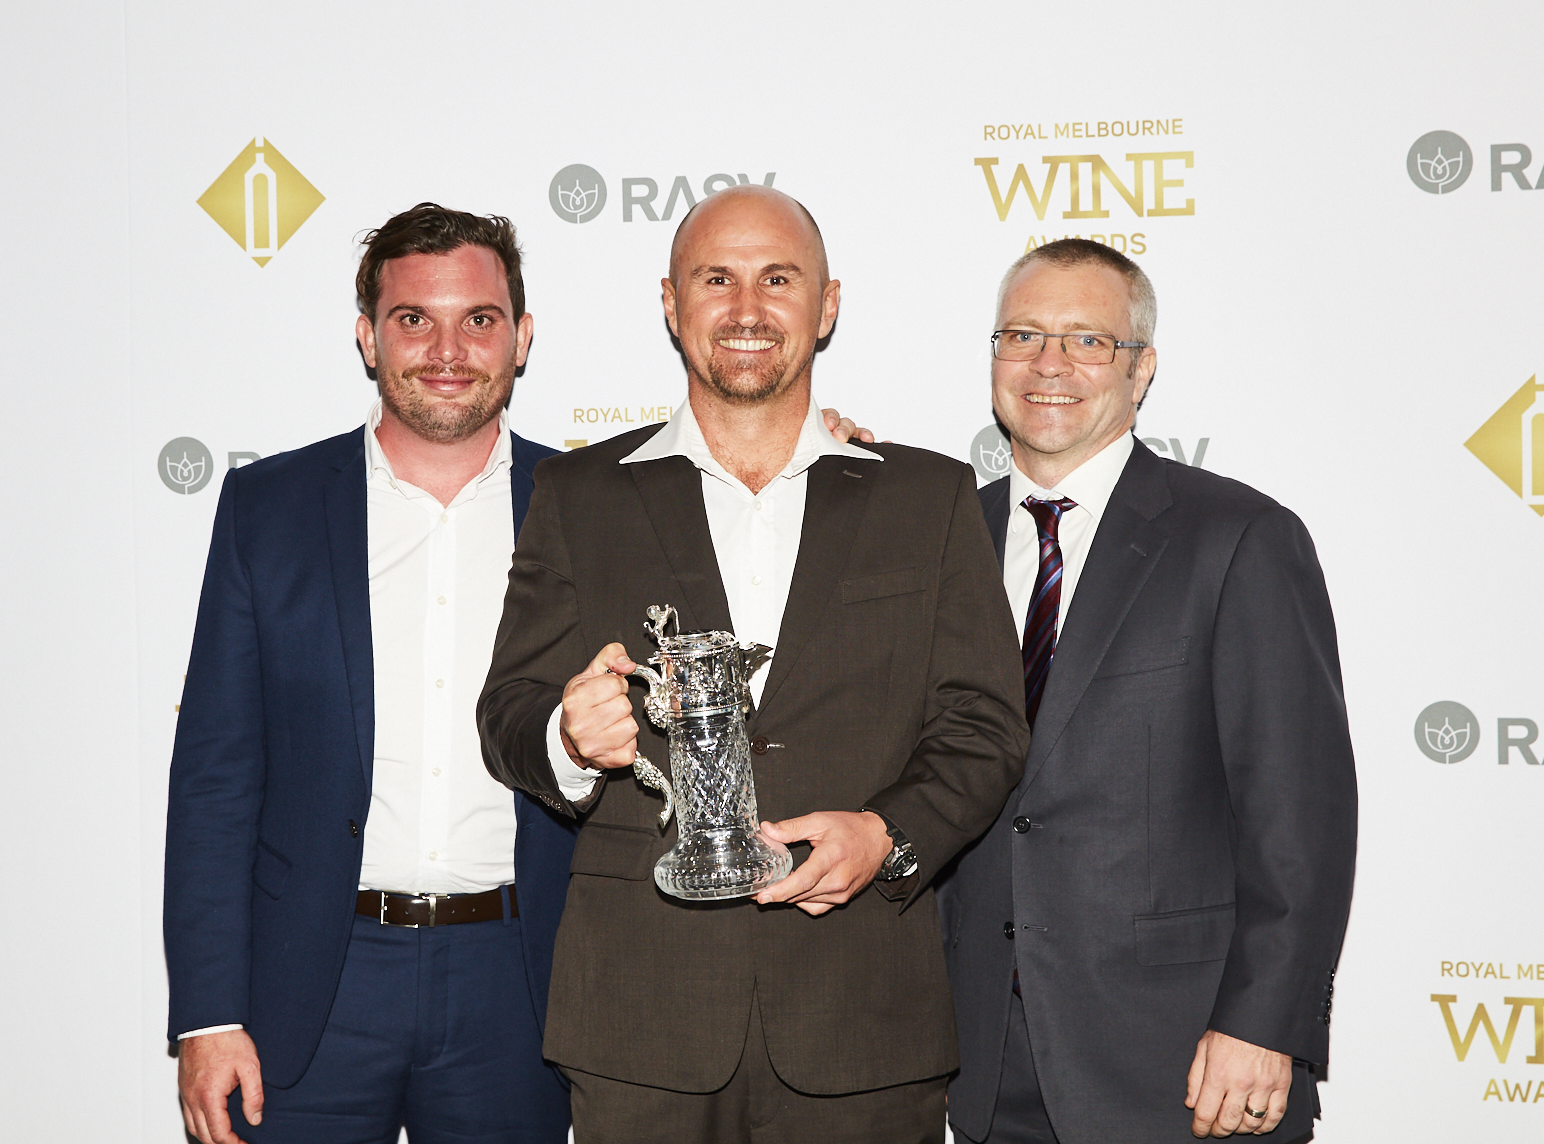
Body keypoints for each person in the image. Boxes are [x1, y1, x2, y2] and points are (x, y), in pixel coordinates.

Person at [476, 184, 1030, 1144]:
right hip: (640, 1023)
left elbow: (984, 728)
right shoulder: (577, 493)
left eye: (779, 279)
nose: (745, 308)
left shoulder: (928, 496)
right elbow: (509, 711)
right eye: (715, 279)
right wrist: (569, 734)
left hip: (865, 1021)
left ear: (827, 305)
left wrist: (887, 837)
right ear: (670, 304)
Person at [163, 203, 578, 1144]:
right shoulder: (267, 509)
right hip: (311, 979)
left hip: (521, 988)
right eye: (412, 319)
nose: (447, 348)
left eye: (478, 318)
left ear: (521, 338)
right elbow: (216, 777)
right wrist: (208, 1013)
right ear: (367, 336)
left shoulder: (589, 506)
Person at [936, 239, 1358, 1143]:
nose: (1049, 365)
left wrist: (1263, 1022)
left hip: (1185, 1065)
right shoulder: (942, 539)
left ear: (1143, 370)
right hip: (981, 1062)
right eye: (1022, 335)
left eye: (1088, 341)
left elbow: (1300, 816)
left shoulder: (1238, 538)